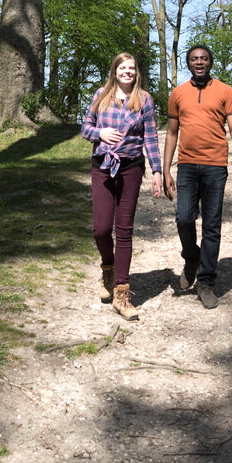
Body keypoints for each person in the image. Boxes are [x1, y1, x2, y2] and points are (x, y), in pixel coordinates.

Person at [162, 43, 232, 309]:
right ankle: (191, 257)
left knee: (212, 226)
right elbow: (172, 133)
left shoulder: (225, 91)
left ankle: (207, 282)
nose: (199, 62)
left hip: (215, 167)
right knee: (184, 218)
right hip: (187, 166)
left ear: (210, 62)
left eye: (204, 58)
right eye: (194, 59)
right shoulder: (178, 93)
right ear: (188, 63)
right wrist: (166, 169)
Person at [80, 52, 162, 320]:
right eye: (122, 67)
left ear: (136, 72)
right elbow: (85, 128)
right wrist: (99, 133)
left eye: (132, 68)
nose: (128, 72)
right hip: (102, 166)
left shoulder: (145, 100)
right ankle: (108, 268)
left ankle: (122, 292)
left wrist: (157, 170)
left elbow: (150, 136)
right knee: (101, 229)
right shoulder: (101, 95)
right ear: (114, 71)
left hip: (131, 167)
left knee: (124, 229)